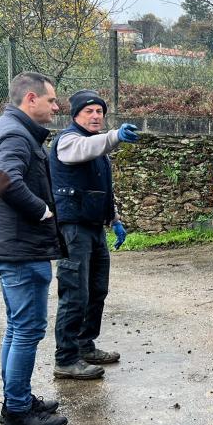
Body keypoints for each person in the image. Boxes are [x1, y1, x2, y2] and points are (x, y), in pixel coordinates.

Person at [0, 71, 67, 425]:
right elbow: (4, 181)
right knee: (27, 329)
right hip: (21, 249)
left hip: (13, 246)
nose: (57, 106)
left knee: (17, 328)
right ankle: (16, 411)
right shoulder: (15, 134)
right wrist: (42, 211)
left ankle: (18, 399)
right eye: (51, 100)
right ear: (31, 99)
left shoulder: (3, 128)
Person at [48, 89, 139, 380]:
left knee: (97, 290)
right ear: (75, 115)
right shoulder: (68, 141)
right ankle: (65, 358)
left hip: (94, 227)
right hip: (73, 228)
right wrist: (114, 137)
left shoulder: (99, 151)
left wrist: (114, 219)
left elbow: (103, 189)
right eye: (89, 111)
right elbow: (85, 149)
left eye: (100, 111)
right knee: (75, 293)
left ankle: (85, 346)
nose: (96, 116)